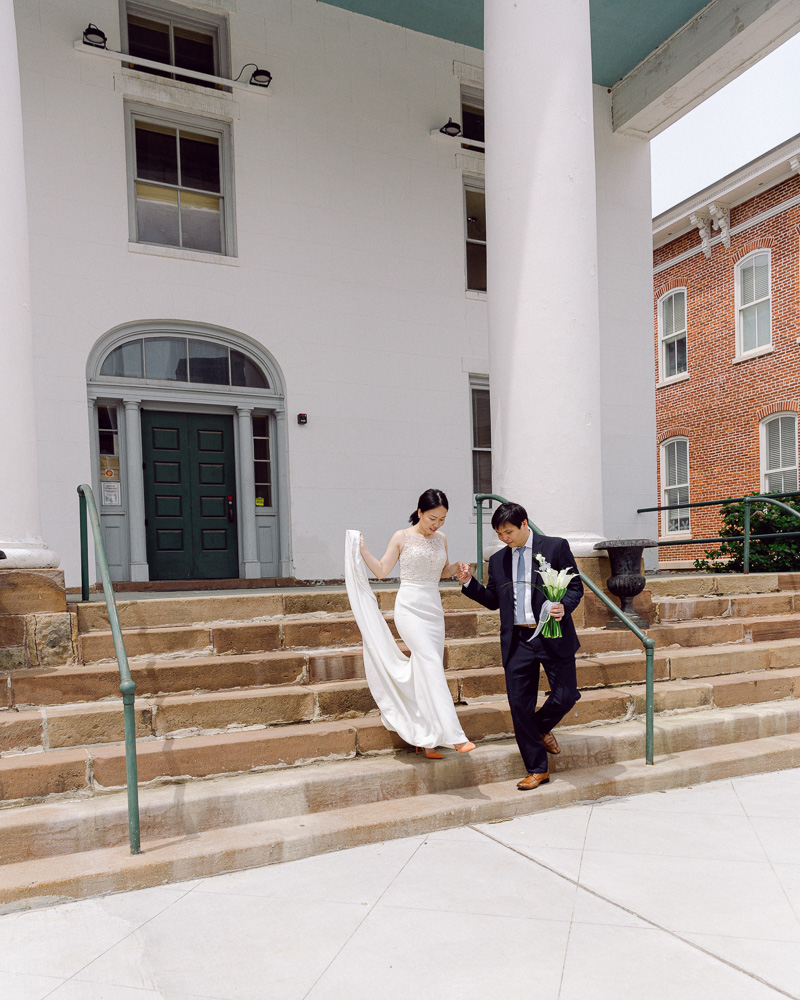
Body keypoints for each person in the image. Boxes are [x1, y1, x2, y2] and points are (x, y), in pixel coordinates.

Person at [455, 501, 583, 790]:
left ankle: (539, 728)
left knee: (566, 695)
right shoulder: (499, 559)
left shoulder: (554, 547)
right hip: (518, 641)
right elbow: (492, 600)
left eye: (509, 532)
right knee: (519, 707)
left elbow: (575, 587)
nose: (505, 538)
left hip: (553, 634)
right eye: (499, 534)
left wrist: (564, 605)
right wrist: (468, 583)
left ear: (525, 523)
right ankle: (537, 769)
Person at [344, 489, 475, 758]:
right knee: (429, 662)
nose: (436, 524)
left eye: (442, 519)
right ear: (419, 512)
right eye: (432, 518)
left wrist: (458, 568)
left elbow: (441, 571)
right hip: (409, 608)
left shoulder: (442, 539)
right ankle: (455, 735)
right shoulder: (401, 537)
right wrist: (363, 550)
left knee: (426, 669)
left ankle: (426, 739)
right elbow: (381, 571)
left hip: (433, 609)